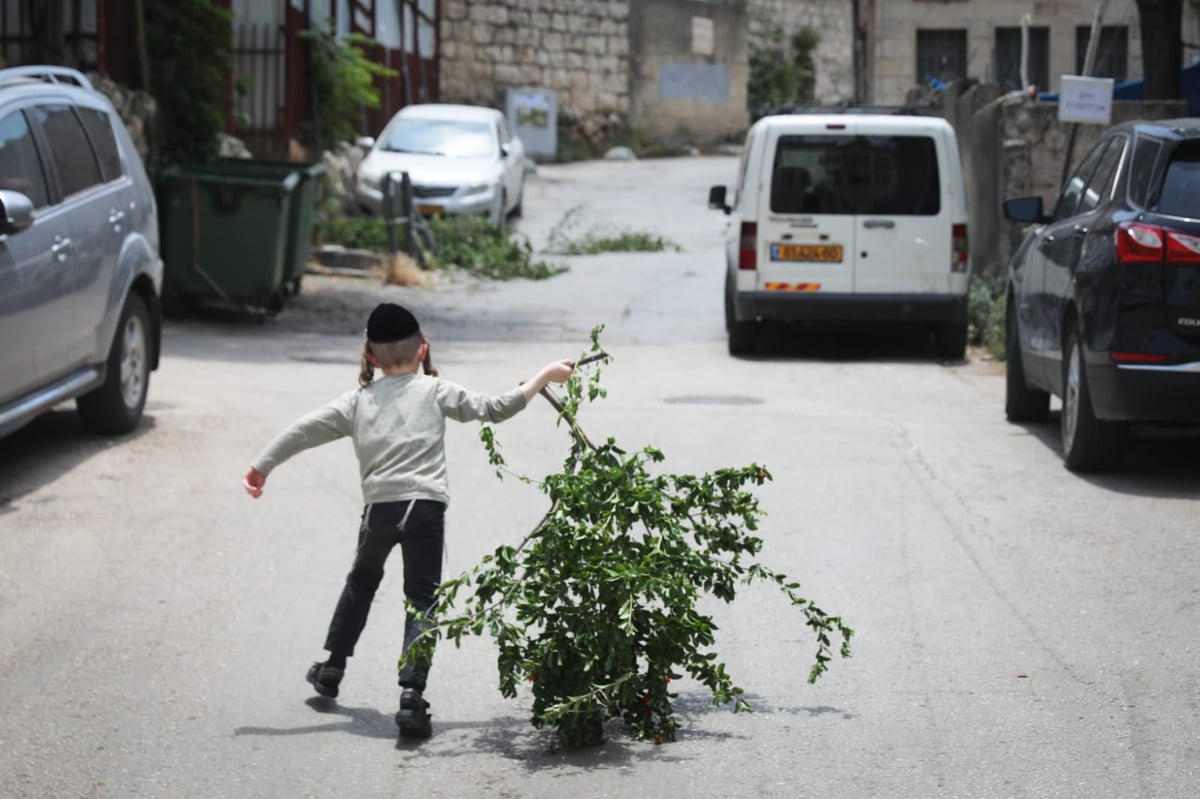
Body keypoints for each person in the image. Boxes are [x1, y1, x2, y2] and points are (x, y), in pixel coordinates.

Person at [241, 302, 573, 737]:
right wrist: (545, 375)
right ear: (423, 350)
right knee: (422, 600)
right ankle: (411, 696)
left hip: (379, 510)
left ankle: (332, 667)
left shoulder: (356, 402)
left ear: (371, 358)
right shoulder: (436, 391)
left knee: (361, 581)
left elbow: (305, 429)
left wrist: (262, 466)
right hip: (424, 510)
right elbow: (496, 407)